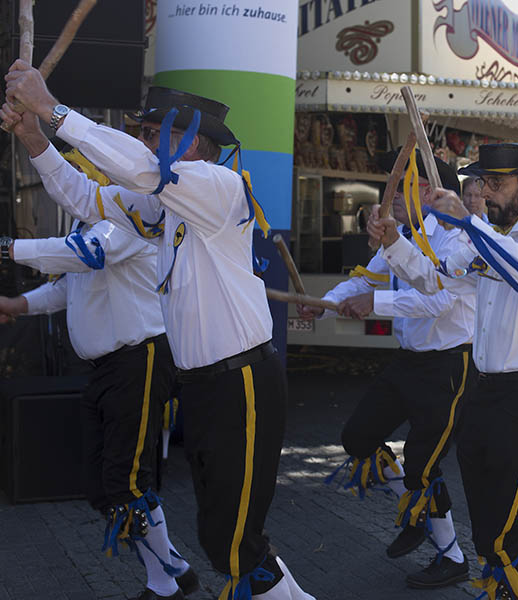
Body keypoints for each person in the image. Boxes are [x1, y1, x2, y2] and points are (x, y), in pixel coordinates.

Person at [2, 61, 315, 600]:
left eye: (151, 133)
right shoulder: (164, 207)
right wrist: (35, 139)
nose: (139, 142)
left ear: (190, 143)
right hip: (206, 384)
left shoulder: (219, 187)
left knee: (230, 539)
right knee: (228, 536)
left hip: (240, 381)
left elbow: (140, 173)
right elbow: (88, 199)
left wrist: (52, 110)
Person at [369, 143, 518, 600]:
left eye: (495, 184)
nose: (485, 192)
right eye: (481, 183)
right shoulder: (485, 234)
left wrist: (469, 223)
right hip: (483, 394)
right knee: (487, 533)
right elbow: (434, 280)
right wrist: (394, 243)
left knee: (500, 533)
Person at [0, 150, 196, 600]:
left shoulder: (125, 217)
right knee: (103, 488)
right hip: (110, 367)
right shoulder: (87, 227)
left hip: (141, 359)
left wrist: (9, 248)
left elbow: (85, 257)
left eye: (74, 176)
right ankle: (175, 571)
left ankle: (167, 579)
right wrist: (17, 305)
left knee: (124, 483)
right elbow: (69, 285)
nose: (64, 187)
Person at [301, 150, 476, 589]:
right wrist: (320, 307)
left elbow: (437, 301)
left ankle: (452, 556)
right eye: (391, 182)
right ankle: (413, 512)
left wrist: (374, 305)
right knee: (357, 438)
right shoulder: (398, 236)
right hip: (408, 362)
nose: (391, 193)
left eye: (403, 183)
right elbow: (363, 280)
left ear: (432, 192)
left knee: (422, 463)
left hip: (450, 365)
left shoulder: (456, 240)